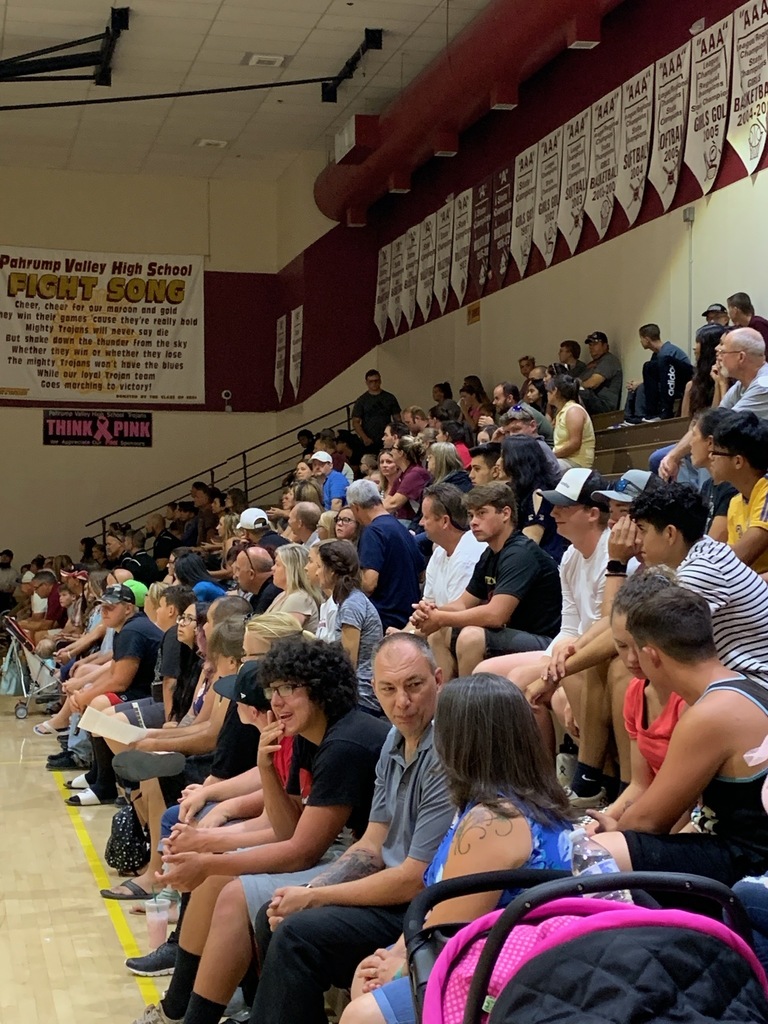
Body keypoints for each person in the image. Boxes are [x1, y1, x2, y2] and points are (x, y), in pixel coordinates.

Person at [132, 637, 394, 1024]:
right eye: (273, 690)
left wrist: (208, 858)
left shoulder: (345, 743)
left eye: (289, 688)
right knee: (218, 876)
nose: (277, 701)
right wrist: (266, 767)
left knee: (232, 889)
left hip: (371, 862)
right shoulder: (310, 733)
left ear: (320, 688)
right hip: (346, 851)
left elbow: (302, 850)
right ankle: (178, 1008)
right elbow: (287, 828)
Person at [341, 673, 574, 1024]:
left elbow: (446, 934)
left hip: (510, 976)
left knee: (362, 1013)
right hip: (501, 957)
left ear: (460, 741)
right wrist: (392, 956)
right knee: (367, 975)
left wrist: (397, 969)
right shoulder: (527, 799)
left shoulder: (494, 821)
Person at [588, 586, 768, 887]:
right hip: (739, 844)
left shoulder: (708, 715)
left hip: (750, 862)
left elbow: (650, 822)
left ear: (651, 655)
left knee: (597, 853)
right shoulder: (746, 689)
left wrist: (616, 831)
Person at [412, 483, 562, 676]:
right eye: (471, 515)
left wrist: (440, 618)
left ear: (505, 514)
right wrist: (430, 613)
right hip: (513, 634)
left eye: (482, 513)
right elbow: (462, 604)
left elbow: (495, 615)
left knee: (471, 637)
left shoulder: (520, 553)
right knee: (439, 634)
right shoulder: (490, 554)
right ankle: (446, 701)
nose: (474, 522)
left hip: (545, 640)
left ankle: (470, 703)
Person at [602, 569, 686, 824]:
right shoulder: (636, 692)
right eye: (621, 645)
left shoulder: (688, 702)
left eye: (639, 646)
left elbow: (687, 801)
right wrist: (602, 821)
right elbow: (640, 784)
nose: (630, 659)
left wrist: (625, 833)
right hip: (656, 815)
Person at [660, 328, 768, 481]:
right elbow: (712, 420)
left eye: (723, 351)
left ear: (741, 357)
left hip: (760, 461)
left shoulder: (764, 385)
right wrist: (672, 456)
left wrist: (675, 455)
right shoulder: (741, 385)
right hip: (752, 453)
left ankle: (708, 503)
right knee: (698, 450)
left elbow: (724, 425)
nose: (717, 353)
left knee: (711, 452)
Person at [413, 483, 487, 675]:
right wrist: (403, 635)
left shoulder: (469, 553)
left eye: (426, 517)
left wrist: (410, 636)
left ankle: (450, 699)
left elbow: (455, 615)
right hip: (441, 624)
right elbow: (425, 607)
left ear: (444, 521)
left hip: (472, 629)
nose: (420, 523)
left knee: (437, 634)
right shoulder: (438, 553)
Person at [315, 540, 383, 713]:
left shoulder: (351, 605)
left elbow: (349, 662)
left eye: (319, 567)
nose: (317, 573)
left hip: (361, 698)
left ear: (331, 572)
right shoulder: (347, 601)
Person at [348, 480, 423, 630]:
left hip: (384, 618)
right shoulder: (401, 528)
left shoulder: (373, 532)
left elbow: (369, 584)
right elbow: (421, 574)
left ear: (355, 507)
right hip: (409, 617)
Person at [709, 410, 768, 573]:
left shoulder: (766, 491)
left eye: (716, 452)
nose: (710, 457)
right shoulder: (735, 502)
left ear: (737, 461)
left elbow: (738, 559)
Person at [500, 435, 568, 564]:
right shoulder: (517, 489)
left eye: (503, 456)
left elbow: (529, 543)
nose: (499, 462)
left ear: (516, 460)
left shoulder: (539, 493)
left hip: (544, 563)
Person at [624, 323, 692, 423]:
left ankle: (642, 417)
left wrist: (641, 384)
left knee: (642, 388)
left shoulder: (668, 352)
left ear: (647, 339)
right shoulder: (657, 355)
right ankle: (630, 418)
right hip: (665, 383)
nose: (640, 341)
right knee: (635, 386)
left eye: (641, 338)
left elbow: (668, 375)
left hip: (677, 384)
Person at [688, 408, 738, 541]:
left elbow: (714, 547)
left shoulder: (733, 488)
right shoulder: (707, 485)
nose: (690, 443)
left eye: (694, 435)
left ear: (710, 442)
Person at [266, 543, 321, 632]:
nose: (273, 568)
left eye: (277, 564)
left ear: (291, 569)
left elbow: (283, 634)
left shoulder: (299, 598)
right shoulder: (283, 594)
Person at [549, 374, 595, 471]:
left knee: (541, 469)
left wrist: (551, 455)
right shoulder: (562, 411)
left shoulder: (573, 411)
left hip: (576, 463)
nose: (547, 394)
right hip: (563, 460)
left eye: (549, 391)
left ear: (555, 391)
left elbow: (574, 444)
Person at [384, 435, 431, 526]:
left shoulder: (415, 474)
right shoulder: (402, 474)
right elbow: (388, 499)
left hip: (414, 523)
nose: (391, 451)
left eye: (393, 448)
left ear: (401, 453)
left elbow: (394, 504)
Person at [351, 370, 401, 452]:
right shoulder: (362, 400)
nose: (374, 383)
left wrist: (396, 436)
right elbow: (355, 422)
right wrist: (365, 438)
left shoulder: (389, 398)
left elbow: (397, 420)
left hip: (387, 439)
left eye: (376, 381)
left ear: (380, 381)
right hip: (369, 441)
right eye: (371, 381)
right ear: (366, 382)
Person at [578, 331, 624, 414]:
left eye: (595, 344)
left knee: (578, 393)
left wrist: (576, 387)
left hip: (604, 403)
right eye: (590, 345)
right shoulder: (592, 364)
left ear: (605, 346)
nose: (591, 347)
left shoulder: (609, 360)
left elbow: (592, 383)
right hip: (594, 401)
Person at [232, 545, 281, 615]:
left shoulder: (269, 597)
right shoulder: (259, 595)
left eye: (238, 570)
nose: (235, 576)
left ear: (251, 574)